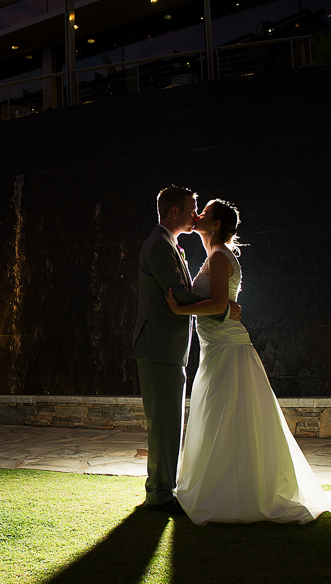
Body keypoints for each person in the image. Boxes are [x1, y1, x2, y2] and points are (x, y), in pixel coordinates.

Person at [166, 199, 331, 524]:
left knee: (228, 417)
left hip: (227, 348)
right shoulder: (214, 257)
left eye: (204, 213)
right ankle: (216, 489)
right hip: (215, 347)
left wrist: (180, 310)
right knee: (218, 417)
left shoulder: (220, 257)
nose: (197, 216)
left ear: (217, 223)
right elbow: (220, 304)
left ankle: (234, 496)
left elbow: (220, 304)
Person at [131, 186, 240, 515]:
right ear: (175, 212)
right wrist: (224, 308)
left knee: (167, 420)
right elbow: (178, 294)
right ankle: (161, 494)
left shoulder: (169, 244)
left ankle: (163, 489)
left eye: (200, 211)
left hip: (167, 346)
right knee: (164, 422)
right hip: (160, 346)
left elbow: (181, 298)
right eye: (192, 208)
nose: (195, 215)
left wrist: (219, 307)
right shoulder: (161, 246)